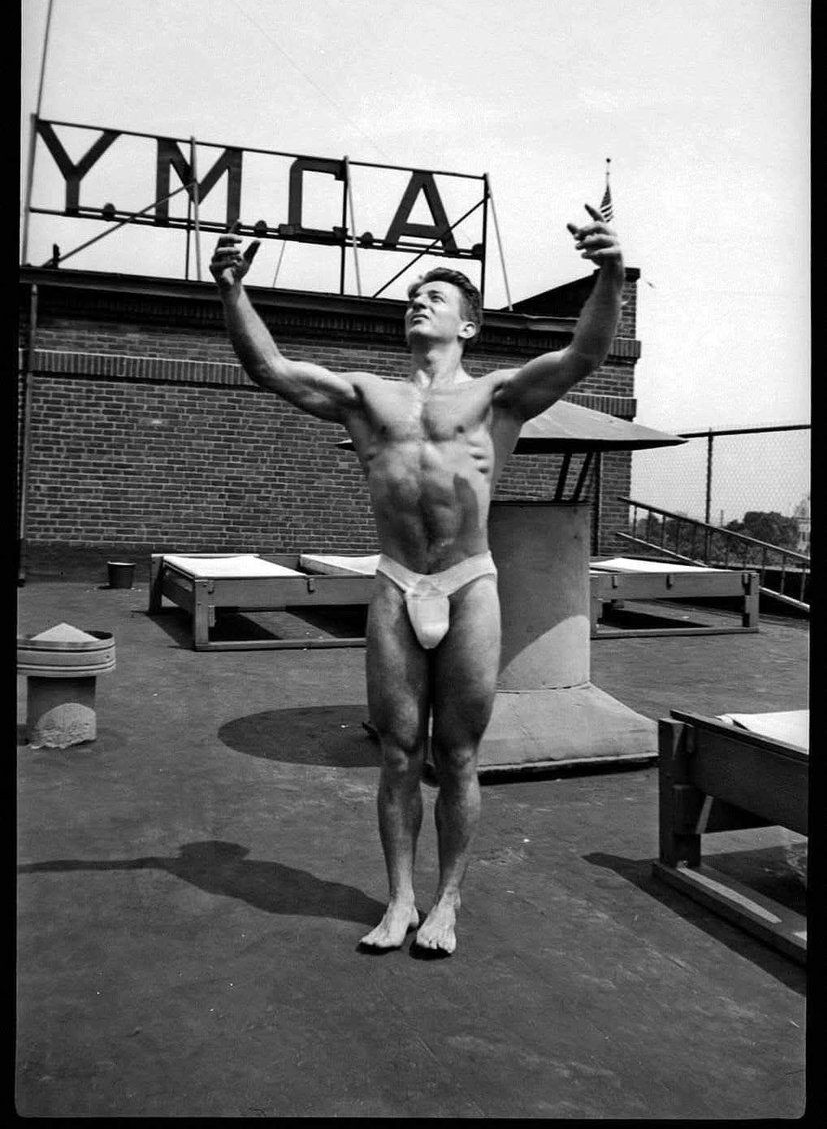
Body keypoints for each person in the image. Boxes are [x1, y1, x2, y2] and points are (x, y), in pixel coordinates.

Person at [209, 204, 623, 955]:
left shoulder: (497, 394)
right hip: (398, 582)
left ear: (467, 326)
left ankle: (448, 902)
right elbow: (268, 369)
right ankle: (399, 899)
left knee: (458, 754)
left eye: (434, 296)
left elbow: (584, 356)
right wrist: (234, 289)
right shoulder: (369, 396)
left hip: (468, 581)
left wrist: (607, 274)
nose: (416, 302)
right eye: (411, 297)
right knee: (398, 751)